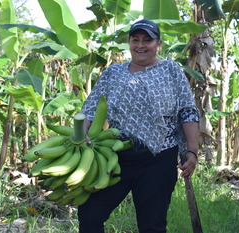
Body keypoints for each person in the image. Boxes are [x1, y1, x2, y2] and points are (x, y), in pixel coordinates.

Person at [78, 19, 200, 233]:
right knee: (90, 214)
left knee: (152, 225)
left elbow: (187, 110)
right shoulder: (113, 73)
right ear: (129, 43)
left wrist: (192, 151)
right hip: (115, 156)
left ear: (158, 44)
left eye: (147, 40)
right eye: (135, 40)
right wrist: (81, 136)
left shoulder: (171, 70)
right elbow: (90, 109)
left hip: (159, 158)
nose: (141, 45)